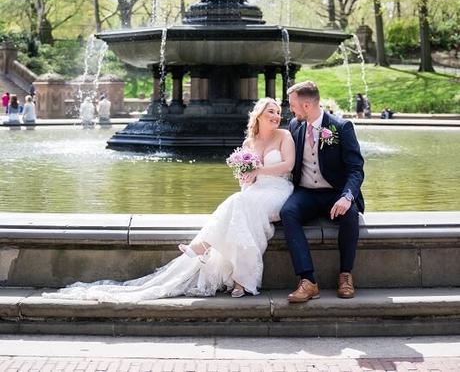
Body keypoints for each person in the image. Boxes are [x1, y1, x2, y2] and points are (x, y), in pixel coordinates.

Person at [43, 98, 295, 302]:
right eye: (270, 111)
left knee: (238, 204)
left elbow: (288, 164)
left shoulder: (284, 136)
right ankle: (241, 280)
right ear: (259, 115)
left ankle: (204, 246)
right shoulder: (248, 142)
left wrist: (258, 172)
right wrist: (247, 179)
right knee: (238, 204)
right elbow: (244, 180)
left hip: (277, 191)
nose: (276, 115)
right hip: (254, 192)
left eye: (277, 112)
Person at [280, 81, 364, 304]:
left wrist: (347, 197)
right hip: (306, 193)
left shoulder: (341, 127)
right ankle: (308, 281)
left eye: (293, 104)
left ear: (307, 105)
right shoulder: (295, 126)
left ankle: (345, 274)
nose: (291, 109)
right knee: (288, 212)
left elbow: (356, 169)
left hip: (335, 193)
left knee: (350, 215)